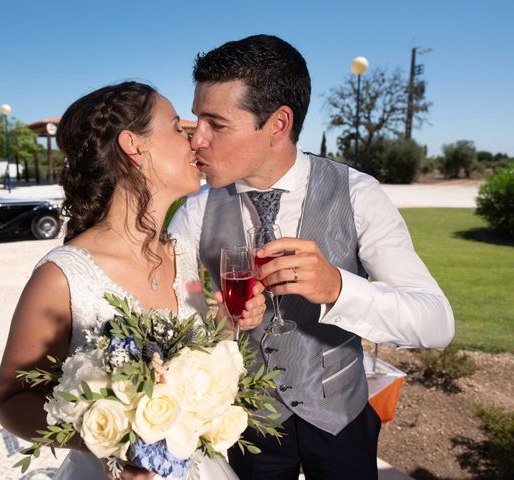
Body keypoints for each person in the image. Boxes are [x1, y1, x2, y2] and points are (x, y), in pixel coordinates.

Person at [169, 35, 455, 480]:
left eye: (216, 124)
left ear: (278, 124)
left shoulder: (359, 194)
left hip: (342, 417)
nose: (196, 141)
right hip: (248, 423)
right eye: (195, 121)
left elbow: (437, 323)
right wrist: (221, 323)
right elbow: (175, 328)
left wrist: (339, 288)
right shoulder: (195, 212)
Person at [0, 81, 266, 480]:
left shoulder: (183, 256)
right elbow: (11, 399)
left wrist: (227, 326)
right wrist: (110, 440)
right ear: (133, 146)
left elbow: (193, 349)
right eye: (177, 128)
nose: (195, 142)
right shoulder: (62, 277)